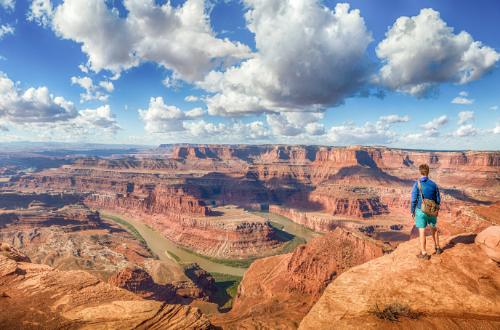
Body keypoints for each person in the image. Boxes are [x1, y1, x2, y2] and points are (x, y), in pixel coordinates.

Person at [411, 164, 443, 259]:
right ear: (428, 172)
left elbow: (413, 200)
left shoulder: (417, 184)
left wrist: (412, 211)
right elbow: (438, 199)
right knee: (434, 228)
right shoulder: (434, 184)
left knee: (422, 231)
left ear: (420, 172)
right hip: (432, 211)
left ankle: (424, 253)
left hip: (421, 211)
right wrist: (436, 209)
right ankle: (437, 248)